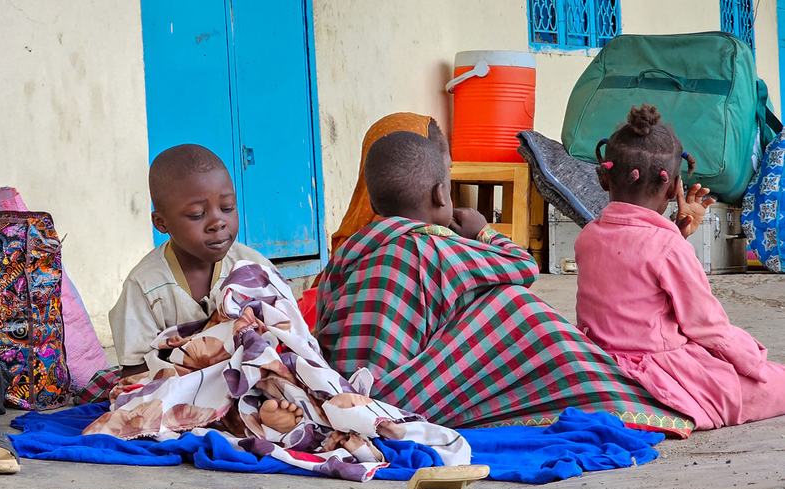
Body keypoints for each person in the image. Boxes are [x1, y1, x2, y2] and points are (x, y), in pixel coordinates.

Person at [315, 114, 693, 436]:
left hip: (336, 393)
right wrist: (483, 231)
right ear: (441, 194)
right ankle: (616, 398)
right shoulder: (437, 248)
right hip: (388, 401)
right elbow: (523, 268)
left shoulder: (348, 249)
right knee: (510, 304)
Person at [575, 104, 785, 430]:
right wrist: (753, 362)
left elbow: (633, 269)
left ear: (605, 178)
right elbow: (706, 327)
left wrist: (676, 231)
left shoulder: (588, 236)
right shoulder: (667, 247)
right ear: (674, 186)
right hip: (656, 374)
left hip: (600, 366)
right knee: (770, 384)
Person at [77, 144, 273, 401]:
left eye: (227, 208)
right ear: (161, 223)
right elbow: (135, 372)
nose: (217, 222)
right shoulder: (145, 285)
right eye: (197, 214)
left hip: (246, 380)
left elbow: (285, 334)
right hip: (177, 390)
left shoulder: (252, 267)